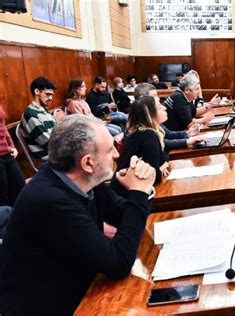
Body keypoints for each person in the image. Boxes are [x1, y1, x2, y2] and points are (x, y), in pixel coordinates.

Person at [0, 115, 156, 315]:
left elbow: (123, 215)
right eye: (110, 150)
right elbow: (118, 263)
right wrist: (139, 192)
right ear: (88, 163)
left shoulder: (81, 178)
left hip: (79, 291)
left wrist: (139, 189)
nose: (117, 154)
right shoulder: (50, 201)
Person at [111, 96, 168, 197]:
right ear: (151, 115)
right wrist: (163, 166)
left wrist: (163, 165)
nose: (165, 108)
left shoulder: (141, 131)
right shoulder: (147, 135)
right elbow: (153, 177)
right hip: (126, 196)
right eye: (159, 107)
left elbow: (163, 157)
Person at [134, 83, 203, 150]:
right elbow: (161, 143)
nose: (158, 99)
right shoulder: (141, 125)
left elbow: (168, 134)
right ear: (142, 99)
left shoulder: (151, 118)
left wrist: (187, 133)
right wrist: (188, 141)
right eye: (154, 96)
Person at [20, 76, 57, 161]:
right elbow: (48, 143)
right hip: (50, 157)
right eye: (48, 94)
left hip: (58, 151)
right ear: (36, 91)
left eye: (52, 95)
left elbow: (58, 132)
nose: (51, 98)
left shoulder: (44, 110)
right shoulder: (30, 115)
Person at [0, 104, 25, 207]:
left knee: (21, 190)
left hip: (6, 153)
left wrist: (11, 145)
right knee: (3, 199)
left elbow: (2, 125)